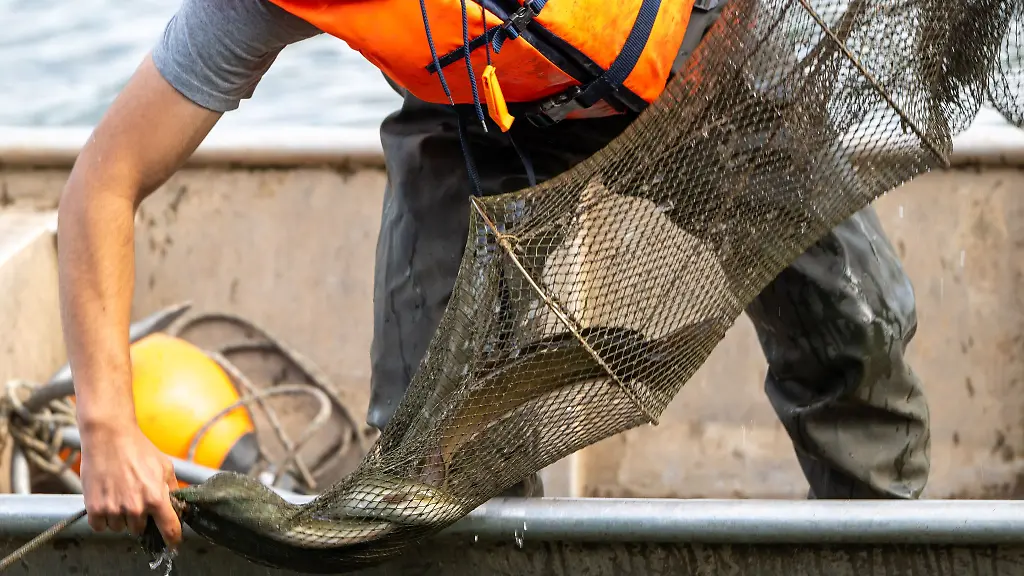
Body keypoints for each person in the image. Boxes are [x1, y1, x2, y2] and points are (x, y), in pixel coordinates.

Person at [56, 0, 931, 552]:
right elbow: (105, 179)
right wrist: (105, 423)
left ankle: (888, 552)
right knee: (426, 464)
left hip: (703, 52)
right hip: (481, 120)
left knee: (857, 332)